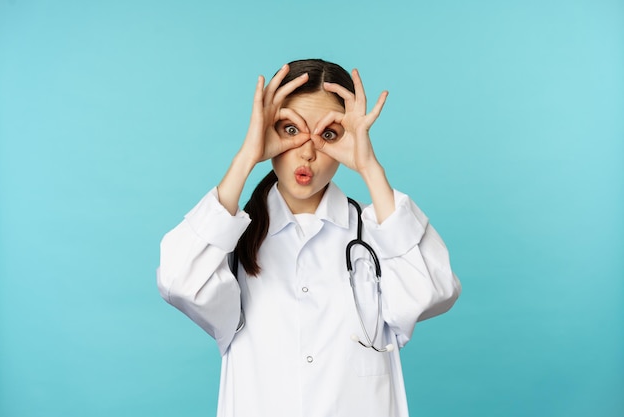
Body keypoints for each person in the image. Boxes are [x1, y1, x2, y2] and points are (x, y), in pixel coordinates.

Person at [157, 59, 461, 417]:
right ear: (267, 131)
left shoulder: (380, 232)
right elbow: (178, 281)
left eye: (328, 134)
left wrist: (370, 169)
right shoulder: (231, 240)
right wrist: (246, 157)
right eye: (290, 130)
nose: (308, 151)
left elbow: (433, 292)